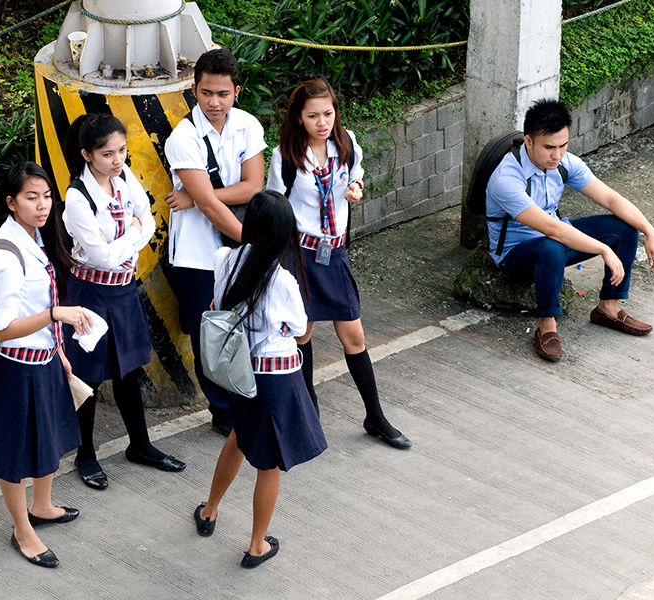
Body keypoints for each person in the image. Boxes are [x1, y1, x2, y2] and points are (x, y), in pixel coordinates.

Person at [266, 78, 411, 450]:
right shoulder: (286, 157)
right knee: (302, 333)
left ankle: (374, 416)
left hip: (335, 253)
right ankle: (309, 407)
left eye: (328, 113)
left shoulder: (345, 147)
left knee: (355, 335)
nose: (322, 122)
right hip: (299, 253)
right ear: (298, 117)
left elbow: (357, 175)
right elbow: (275, 207)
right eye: (313, 115)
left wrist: (355, 189)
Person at [193, 190, 327, 568]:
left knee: (239, 435)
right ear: (285, 235)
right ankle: (256, 545)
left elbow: (217, 305)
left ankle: (210, 510)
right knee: (268, 464)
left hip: (236, 371)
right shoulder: (282, 279)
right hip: (273, 379)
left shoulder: (223, 259)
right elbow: (301, 332)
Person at [485, 98, 654, 362]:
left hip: (556, 238)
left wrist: (651, 232)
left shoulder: (565, 163)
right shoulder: (507, 179)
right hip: (516, 255)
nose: (557, 155)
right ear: (529, 141)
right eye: (549, 147)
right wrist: (603, 249)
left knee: (625, 227)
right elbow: (550, 228)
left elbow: (611, 199)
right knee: (551, 245)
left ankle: (608, 308)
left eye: (563, 145)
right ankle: (547, 326)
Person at [62, 113, 186, 491]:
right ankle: (86, 454)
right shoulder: (77, 199)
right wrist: (132, 234)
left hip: (123, 289)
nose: (117, 161)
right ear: (87, 155)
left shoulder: (123, 179)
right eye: (107, 154)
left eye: (122, 151)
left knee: (129, 369)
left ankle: (141, 445)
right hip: (91, 293)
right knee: (88, 375)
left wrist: (129, 235)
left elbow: (147, 219)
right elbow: (100, 258)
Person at [0, 162, 90, 568]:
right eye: (31, 197)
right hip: (15, 367)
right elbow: (3, 328)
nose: (42, 205)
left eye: (46, 196)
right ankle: (22, 529)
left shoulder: (35, 235)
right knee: (13, 454)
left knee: (49, 438)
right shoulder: (7, 256)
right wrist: (55, 316)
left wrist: (58, 351)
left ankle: (41, 506)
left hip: (42, 360)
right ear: (11, 203)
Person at [164, 48, 266, 437]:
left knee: (244, 326)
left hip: (237, 248)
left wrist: (197, 195)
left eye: (222, 93)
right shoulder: (183, 138)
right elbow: (208, 205)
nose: (214, 102)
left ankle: (244, 398)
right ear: (194, 90)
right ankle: (223, 412)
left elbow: (253, 186)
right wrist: (253, 245)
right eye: (206, 93)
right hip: (197, 255)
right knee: (209, 336)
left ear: (236, 91)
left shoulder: (247, 126)